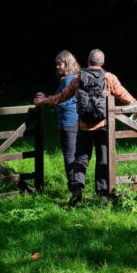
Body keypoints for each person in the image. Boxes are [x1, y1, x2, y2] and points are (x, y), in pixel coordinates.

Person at [34, 48, 137, 207]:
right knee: (103, 159)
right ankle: (103, 195)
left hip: (83, 126)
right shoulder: (109, 78)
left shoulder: (78, 78)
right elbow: (127, 98)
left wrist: (45, 101)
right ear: (102, 63)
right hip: (103, 127)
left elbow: (61, 97)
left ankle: (76, 192)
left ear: (88, 62)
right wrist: (136, 108)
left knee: (81, 159)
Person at [49, 50, 80, 192]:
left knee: (69, 156)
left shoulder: (69, 80)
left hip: (69, 122)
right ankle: (77, 186)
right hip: (72, 121)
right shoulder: (72, 77)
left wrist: (51, 102)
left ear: (67, 63)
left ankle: (75, 189)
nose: (57, 67)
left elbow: (65, 100)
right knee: (73, 155)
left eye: (59, 64)